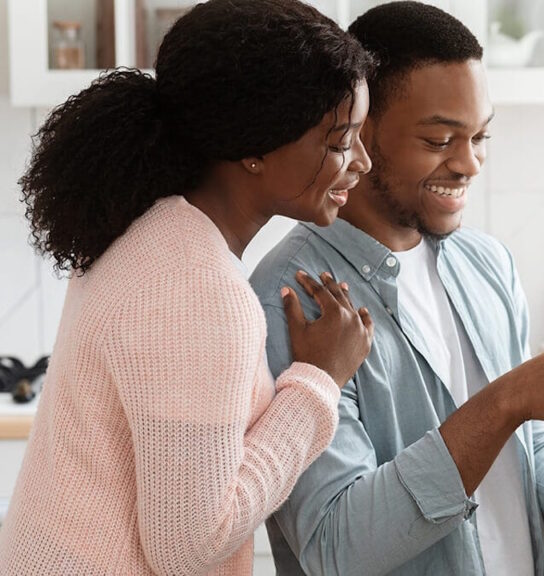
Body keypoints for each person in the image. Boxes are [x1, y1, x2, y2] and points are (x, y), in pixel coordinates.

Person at [249, 2, 544, 574]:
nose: (469, 163)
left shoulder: (487, 263)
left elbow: (533, 453)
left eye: (479, 136)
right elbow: (337, 546)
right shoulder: (291, 298)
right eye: (440, 139)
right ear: (362, 132)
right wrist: (508, 400)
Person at [0, 1, 375, 574]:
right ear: (254, 149)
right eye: (339, 140)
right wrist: (318, 383)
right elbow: (189, 544)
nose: (361, 162)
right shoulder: (198, 289)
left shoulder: (147, 223)